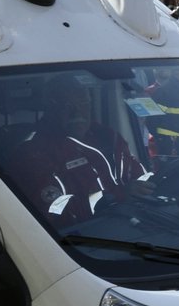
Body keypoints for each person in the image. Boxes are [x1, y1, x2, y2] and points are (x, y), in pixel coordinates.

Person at [12, 79, 151, 224]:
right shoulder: (33, 153)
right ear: (51, 109)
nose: (78, 113)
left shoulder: (106, 136)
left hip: (132, 223)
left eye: (84, 104)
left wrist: (150, 187)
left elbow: (137, 175)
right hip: (83, 238)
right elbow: (55, 213)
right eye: (68, 106)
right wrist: (119, 195)